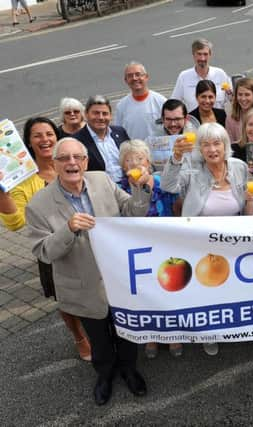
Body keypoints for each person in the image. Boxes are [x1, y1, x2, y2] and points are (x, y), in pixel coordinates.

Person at [26, 137, 153, 406]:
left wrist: (140, 189)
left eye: (77, 157)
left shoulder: (102, 180)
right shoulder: (38, 205)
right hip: (81, 285)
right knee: (99, 340)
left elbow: (133, 211)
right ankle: (105, 375)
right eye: (64, 158)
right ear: (55, 163)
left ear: (85, 161)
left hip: (118, 279)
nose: (72, 163)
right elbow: (44, 251)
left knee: (126, 333)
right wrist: (68, 229)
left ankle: (130, 370)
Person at [161, 122, 253, 357]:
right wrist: (175, 158)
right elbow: (167, 185)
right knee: (206, 290)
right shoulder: (192, 170)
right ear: (200, 150)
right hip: (200, 243)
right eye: (206, 145)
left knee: (232, 288)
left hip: (234, 243)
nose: (212, 149)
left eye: (217, 143)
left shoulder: (239, 167)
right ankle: (209, 334)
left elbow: (248, 205)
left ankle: (234, 328)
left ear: (225, 146)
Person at [0, 118, 91, 362]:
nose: (45, 139)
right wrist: (3, 194)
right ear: (28, 141)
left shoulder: (70, 162)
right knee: (65, 299)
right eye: (37, 135)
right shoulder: (23, 180)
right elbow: (16, 222)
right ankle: (79, 337)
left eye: (49, 133)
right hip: (54, 251)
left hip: (88, 246)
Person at [117, 139, 180, 358]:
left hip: (165, 245)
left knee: (169, 287)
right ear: (123, 165)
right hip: (137, 248)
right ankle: (151, 335)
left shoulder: (162, 181)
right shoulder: (118, 187)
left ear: (149, 162)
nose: (134, 163)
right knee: (146, 292)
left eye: (140, 158)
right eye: (129, 160)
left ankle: (172, 333)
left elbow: (178, 200)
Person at [73, 95, 130, 183]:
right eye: (96, 113)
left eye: (105, 113)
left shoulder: (120, 132)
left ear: (110, 116)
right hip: (100, 190)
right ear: (86, 114)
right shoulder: (76, 141)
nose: (100, 117)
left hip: (127, 185)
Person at [171, 39, 231, 111]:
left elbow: (232, 98)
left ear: (210, 55)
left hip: (217, 121)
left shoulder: (220, 74)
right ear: (193, 55)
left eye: (205, 54)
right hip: (195, 121)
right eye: (199, 54)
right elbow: (174, 103)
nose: (202, 58)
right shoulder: (184, 77)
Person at [114, 62, 166, 140]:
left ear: (146, 77)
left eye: (138, 74)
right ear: (126, 80)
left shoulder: (161, 102)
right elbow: (118, 133)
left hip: (157, 150)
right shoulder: (121, 106)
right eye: (130, 76)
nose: (134, 78)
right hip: (133, 151)